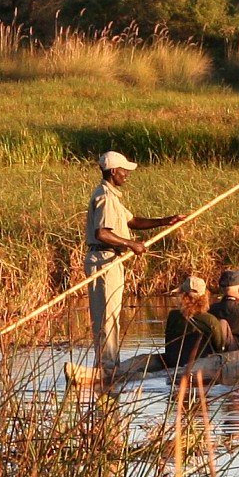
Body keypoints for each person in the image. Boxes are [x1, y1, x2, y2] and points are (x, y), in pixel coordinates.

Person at [82, 150, 183, 370]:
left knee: (112, 315)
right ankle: (107, 367)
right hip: (104, 261)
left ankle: (110, 363)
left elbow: (133, 221)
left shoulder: (112, 197)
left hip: (110, 259)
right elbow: (102, 233)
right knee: (106, 317)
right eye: (124, 171)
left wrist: (166, 221)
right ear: (114, 171)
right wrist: (131, 244)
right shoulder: (106, 198)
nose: (127, 175)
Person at [161, 274, 236, 369]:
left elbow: (168, 345)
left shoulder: (173, 316)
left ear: (182, 296)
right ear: (205, 297)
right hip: (202, 369)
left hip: (174, 366)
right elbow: (219, 350)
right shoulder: (210, 320)